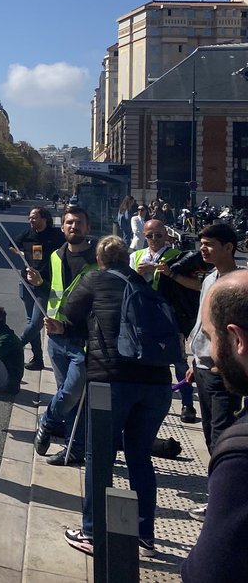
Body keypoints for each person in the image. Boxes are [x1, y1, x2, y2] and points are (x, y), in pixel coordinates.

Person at [55, 235, 172, 559]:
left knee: (100, 456)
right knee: (140, 457)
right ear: (126, 259)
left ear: (101, 258)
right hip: (157, 383)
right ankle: (144, 536)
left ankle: (92, 532)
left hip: (113, 381)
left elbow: (70, 314)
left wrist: (68, 328)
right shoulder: (143, 283)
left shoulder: (95, 278)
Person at [181, 270, 248, 582]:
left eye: (210, 339)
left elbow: (208, 573)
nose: (210, 356)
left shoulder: (240, 454)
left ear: (237, 340)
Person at [182, 223, 244, 521]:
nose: (203, 249)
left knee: (222, 438)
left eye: (209, 245)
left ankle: (223, 504)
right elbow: (201, 323)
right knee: (209, 434)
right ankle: (218, 498)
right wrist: (196, 358)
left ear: (229, 248)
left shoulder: (237, 284)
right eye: (201, 244)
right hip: (203, 367)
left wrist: (224, 363)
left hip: (223, 373)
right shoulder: (208, 279)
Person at [30, 206, 98, 466]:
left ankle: (47, 422)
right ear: (62, 227)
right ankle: (75, 448)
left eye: (79, 223)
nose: (74, 227)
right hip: (56, 339)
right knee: (68, 395)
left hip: (84, 339)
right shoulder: (56, 256)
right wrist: (39, 283)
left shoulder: (96, 260)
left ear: (88, 228)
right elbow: (54, 290)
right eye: (69, 222)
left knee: (71, 393)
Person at [134, 219, 200, 423]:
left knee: (179, 360)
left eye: (158, 235)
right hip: (145, 316)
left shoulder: (177, 256)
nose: (154, 239)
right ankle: (144, 401)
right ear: (144, 237)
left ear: (166, 235)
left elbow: (195, 284)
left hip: (171, 316)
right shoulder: (136, 256)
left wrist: (167, 271)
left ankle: (187, 405)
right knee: (144, 360)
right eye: (149, 236)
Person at [10, 206, 65, 372]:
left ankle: (14, 346)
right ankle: (37, 359)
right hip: (27, 283)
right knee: (29, 320)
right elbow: (11, 245)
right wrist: (22, 254)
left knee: (36, 323)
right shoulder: (27, 235)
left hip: (46, 284)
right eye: (29, 218)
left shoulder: (55, 235)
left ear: (44, 218)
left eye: (34, 217)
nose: (31, 220)